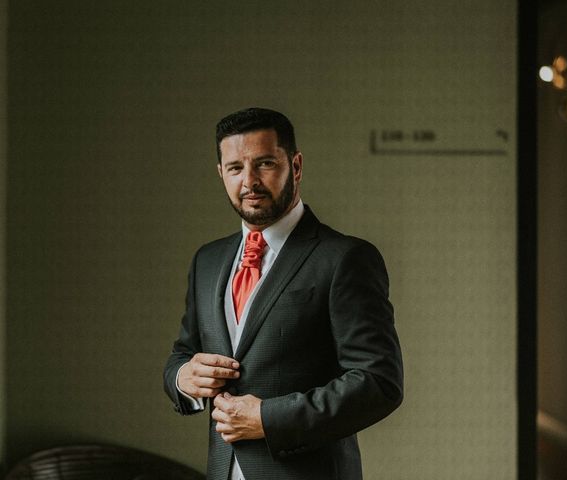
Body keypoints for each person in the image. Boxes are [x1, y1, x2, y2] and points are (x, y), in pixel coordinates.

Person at [163, 107, 403, 480]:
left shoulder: (344, 258)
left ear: (296, 165)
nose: (249, 181)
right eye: (235, 168)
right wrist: (184, 379)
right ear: (220, 174)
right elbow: (182, 353)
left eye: (265, 164)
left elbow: (378, 382)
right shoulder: (207, 261)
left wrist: (267, 418)